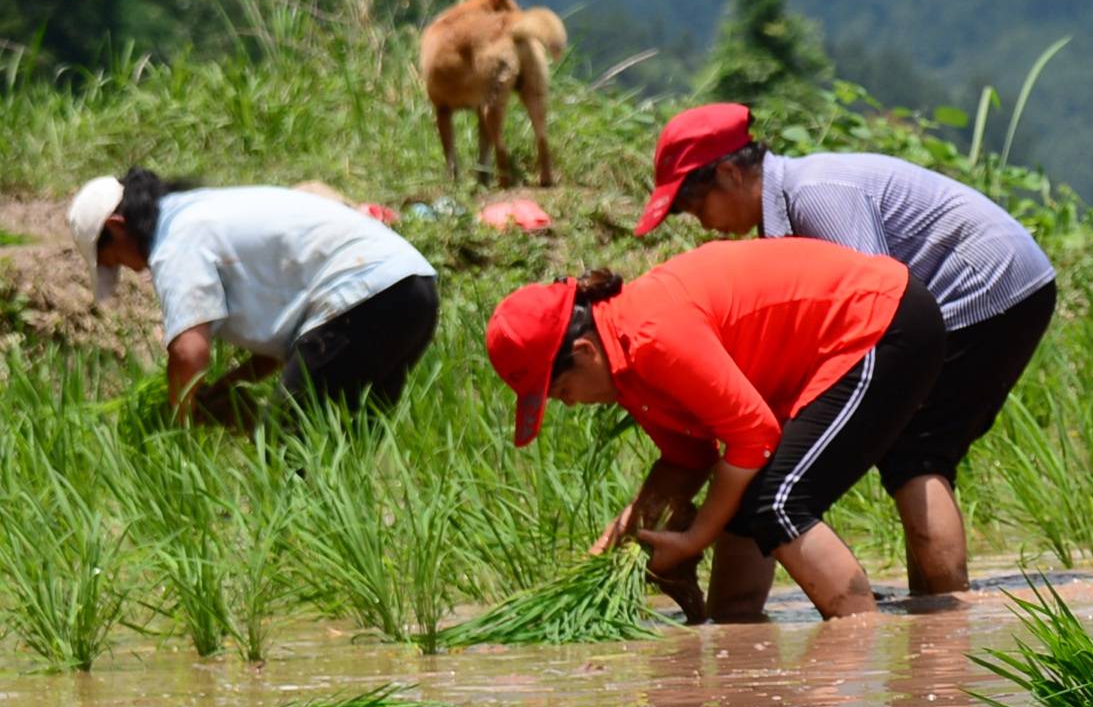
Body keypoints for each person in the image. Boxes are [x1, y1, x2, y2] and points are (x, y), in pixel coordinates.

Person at [635, 102, 1056, 599]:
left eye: (696, 207)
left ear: (729, 173)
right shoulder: (787, 213)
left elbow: (877, 306)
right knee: (917, 455)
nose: (703, 225)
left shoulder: (815, 195)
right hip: (991, 284)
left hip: (988, 284)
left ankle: (945, 618)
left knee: (917, 454)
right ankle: (935, 606)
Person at [485, 240, 947, 622]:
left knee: (779, 503)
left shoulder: (651, 335)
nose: (567, 403)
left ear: (585, 352)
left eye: (562, 391)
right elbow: (690, 459)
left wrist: (695, 538)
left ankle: (861, 638)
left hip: (880, 322)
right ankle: (735, 629)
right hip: (855, 334)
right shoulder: (626, 364)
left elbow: (753, 435)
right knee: (746, 505)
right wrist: (613, 547)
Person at [68, 170, 439, 419]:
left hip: (363, 296)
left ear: (117, 228)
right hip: (412, 288)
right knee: (345, 445)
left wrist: (180, 418)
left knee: (287, 452)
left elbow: (189, 351)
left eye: (112, 260)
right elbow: (298, 341)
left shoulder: (176, 241)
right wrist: (233, 384)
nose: (129, 271)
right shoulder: (202, 210)